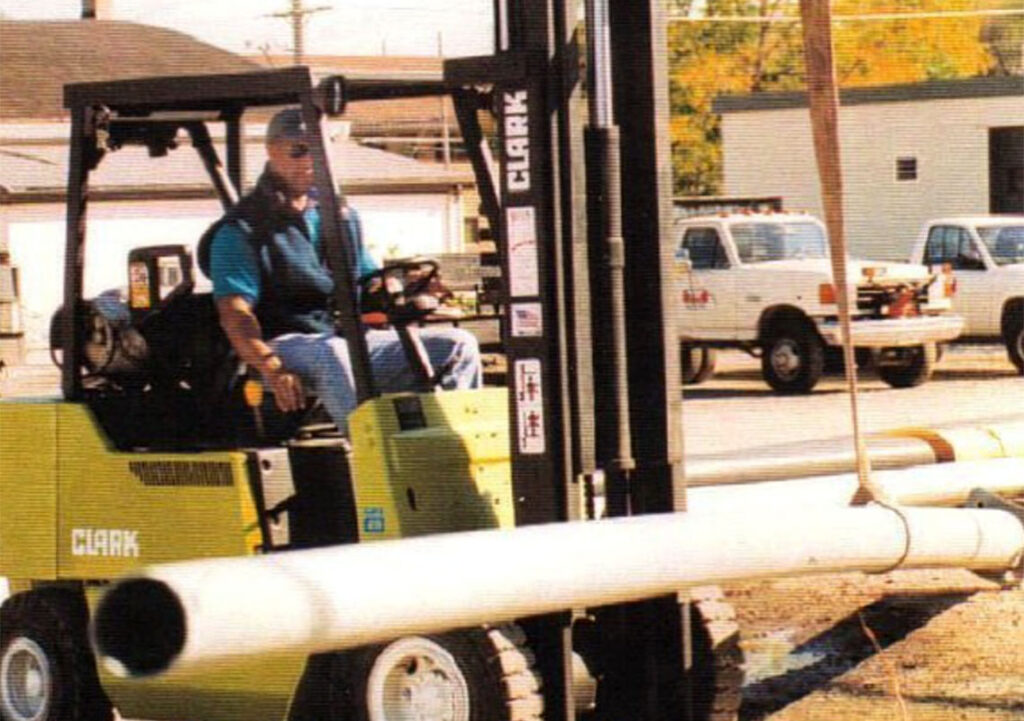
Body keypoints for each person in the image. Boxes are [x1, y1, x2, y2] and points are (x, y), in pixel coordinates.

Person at [206, 107, 482, 432]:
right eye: (298, 150)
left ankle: (448, 450)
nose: (309, 161)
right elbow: (235, 315)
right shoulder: (242, 232)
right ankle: (374, 460)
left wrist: (406, 286)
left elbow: (368, 282)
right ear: (271, 152)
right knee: (331, 354)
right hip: (281, 344)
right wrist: (272, 368)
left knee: (457, 345)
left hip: (341, 337)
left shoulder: (338, 218)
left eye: (318, 151)